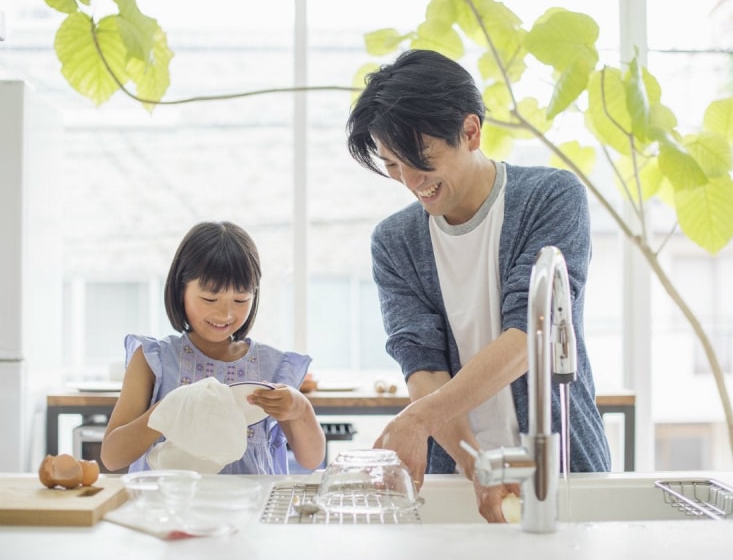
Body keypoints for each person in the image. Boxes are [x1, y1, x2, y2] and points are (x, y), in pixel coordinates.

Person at [346, 49, 611, 523]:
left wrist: (420, 419)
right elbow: (421, 365)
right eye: (391, 165)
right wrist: (475, 463)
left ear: (470, 132)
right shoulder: (395, 242)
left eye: (419, 160)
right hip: (462, 480)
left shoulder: (551, 198)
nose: (410, 182)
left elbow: (528, 337)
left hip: (565, 470)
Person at [101, 221, 325, 474]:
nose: (226, 313)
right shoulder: (155, 359)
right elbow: (112, 457)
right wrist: (167, 412)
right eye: (210, 298)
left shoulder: (273, 366)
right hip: (169, 509)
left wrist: (299, 408)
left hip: (248, 509)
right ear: (180, 289)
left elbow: (311, 459)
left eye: (241, 300)